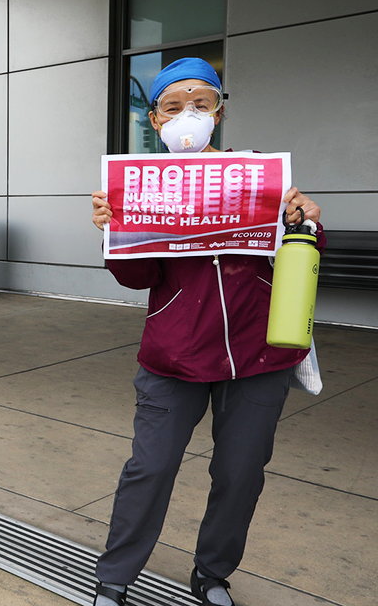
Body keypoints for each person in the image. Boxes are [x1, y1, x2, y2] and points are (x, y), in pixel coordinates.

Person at [88, 58, 325, 606]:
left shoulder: (261, 176)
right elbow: (136, 275)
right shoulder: (141, 185)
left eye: (201, 103)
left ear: (219, 111)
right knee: (149, 468)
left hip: (258, 355)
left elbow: (304, 252)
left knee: (241, 473)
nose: (187, 116)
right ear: (154, 119)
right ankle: (115, 577)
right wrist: (115, 231)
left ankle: (212, 573)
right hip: (174, 355)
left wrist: (306, 219)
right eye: (173, 106)